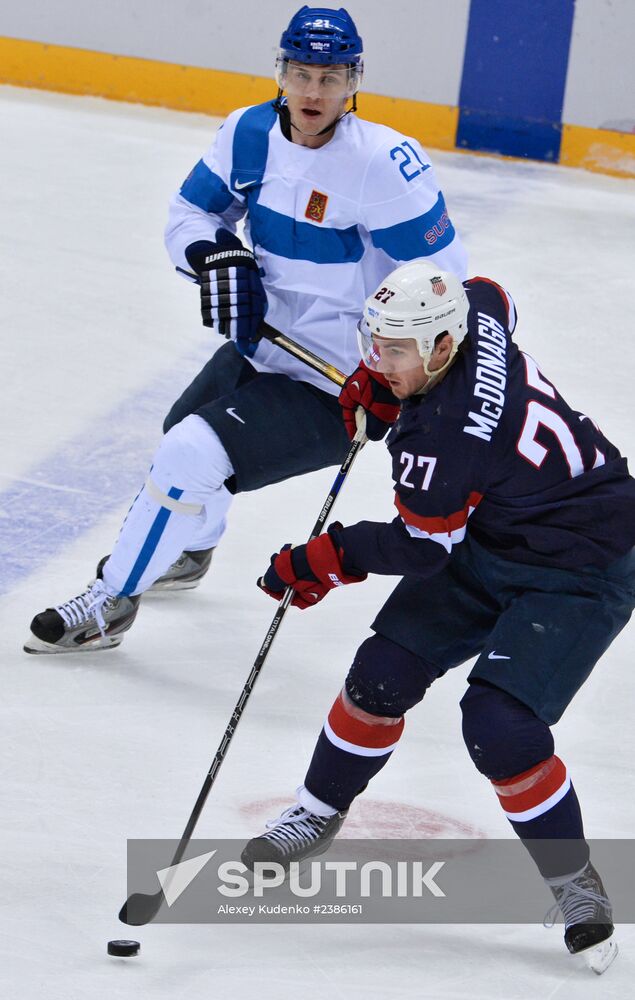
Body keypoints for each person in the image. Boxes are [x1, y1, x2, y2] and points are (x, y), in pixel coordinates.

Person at [24, 5, 467, 654]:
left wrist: (401, 377)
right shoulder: (248, 134)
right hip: (262, 344)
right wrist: (216, 256)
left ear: (353, 82)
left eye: (331, 77)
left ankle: (111, 601)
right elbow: (190, 212)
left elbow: (442, 285)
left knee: (189, 454)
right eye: (301, 74)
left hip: (341, 382)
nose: (313, 92)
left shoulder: (382, 164)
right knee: (180, 436)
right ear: (280, 73)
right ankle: (190, 551)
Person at [242, 260, 635, 973]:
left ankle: (574, 883)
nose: (376, 361)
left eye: (394, 351)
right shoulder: (472, 318)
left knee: (499, 727)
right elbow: (492, 293)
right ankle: (317, 811)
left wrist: (325, 558)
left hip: (583, 566)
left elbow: (420, 548)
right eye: (376, 343)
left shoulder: (445, 440)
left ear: (442, 346)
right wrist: (394, 386)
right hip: (496, 532)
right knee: (380, 675)